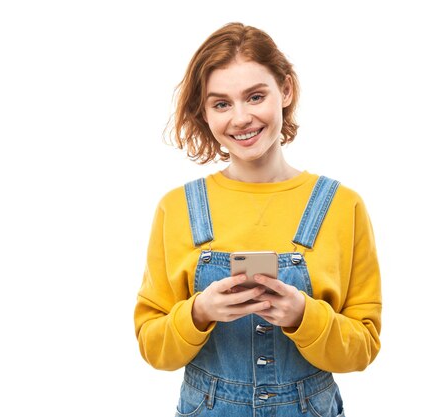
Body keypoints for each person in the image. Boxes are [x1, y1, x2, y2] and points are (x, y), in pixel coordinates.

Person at [134, 22, 381, 417]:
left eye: (255, 96)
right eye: (221, 103)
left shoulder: (342, 206)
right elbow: (153, 347)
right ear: (205, 112)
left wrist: (304, 316)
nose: (241, 118)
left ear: (285, 90)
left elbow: (363, 349)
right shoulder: (177, 207)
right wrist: (199, 312)